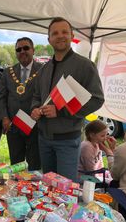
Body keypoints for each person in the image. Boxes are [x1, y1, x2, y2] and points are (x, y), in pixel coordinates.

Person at [31, 17, 104, 181]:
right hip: (44, 139)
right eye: (55, 33)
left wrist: (62, 111)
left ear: (72, 35)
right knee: (49, 187)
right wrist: (34, 108)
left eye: (64, 32)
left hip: (67, 141)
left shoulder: (85, 66)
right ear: (49, 39)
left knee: (66, 191)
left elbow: (97, 99)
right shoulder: (44, 69)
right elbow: (36, 96)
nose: (60, 36)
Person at [0, 37, 42, 171]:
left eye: (26, 48)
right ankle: (17, 190)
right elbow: (1, 98)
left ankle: (33, 191)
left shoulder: (43, 70)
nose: (22, 51)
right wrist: (4, 117)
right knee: (16, 165)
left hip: (35, 126)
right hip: (13, 126)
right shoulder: (7, 72)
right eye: (18, 49)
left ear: (33, 50)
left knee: (34, 164)